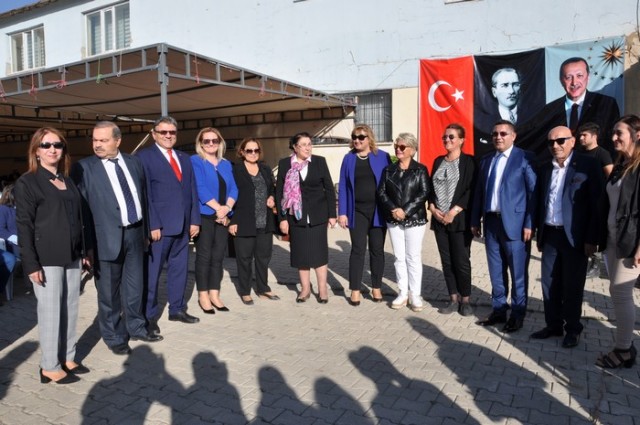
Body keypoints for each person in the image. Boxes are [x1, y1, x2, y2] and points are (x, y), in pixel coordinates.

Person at [72, 121, 161, 356]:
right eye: (95, 140)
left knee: (135, 286)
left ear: (118, 141)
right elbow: (82, 212)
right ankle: (114, 336)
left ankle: (137, 327)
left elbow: (143, 196)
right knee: (108, 293)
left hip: (135, 233)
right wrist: (87, 246)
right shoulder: (84, 168)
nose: (97, 144)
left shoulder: (133, 162)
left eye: (103, 140)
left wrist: (146, 230)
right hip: (104, 238)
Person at [15, 127, 88, 383]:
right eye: (46, 145)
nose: (52, 149)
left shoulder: (67, 180)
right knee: (50, 311)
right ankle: (49, 365)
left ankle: (67, 356)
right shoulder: (28, 182)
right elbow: (24, 225)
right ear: (36, 150)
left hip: (72, 254)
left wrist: (84, 251)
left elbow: (79, 218)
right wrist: (31, 263)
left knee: (70, 308)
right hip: (46, 257)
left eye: (57, 145)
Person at [531, 126, 604, 348]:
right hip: (550, 234)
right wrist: (538, 233)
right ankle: (553, 324)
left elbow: (597, 204)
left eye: (561, 140)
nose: (555, 146)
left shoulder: (588, 165)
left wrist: (592, 239)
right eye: (551, 142)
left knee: (572, 285)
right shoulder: (545, 168)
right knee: (549, 283)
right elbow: (540, 202)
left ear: (572, 141)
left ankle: (572, 328)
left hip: (575, 238)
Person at [471, 120, 537, 333]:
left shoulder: (525, 158)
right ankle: (499, 310)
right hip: (491, 223)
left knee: (518, 273)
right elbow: (479, 192)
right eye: (495, 134)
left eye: (503, 133)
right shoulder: (487, 160)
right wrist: (475, 220)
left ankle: (517, 314)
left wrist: (529, 223)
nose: (498, 137)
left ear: (513, 136)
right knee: (496, 270)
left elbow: (532, 193)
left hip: (516, 226)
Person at [136, 117, 201, 331]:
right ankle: (148, 316)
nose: (168, 136)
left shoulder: (184, 158)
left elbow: (192, 190)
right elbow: (144, 194)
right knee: (152, 274)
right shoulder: (144, 157)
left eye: (172, 132)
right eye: (163, 132)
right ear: (154, 134)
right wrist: (152, 224)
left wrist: (194, 220)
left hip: (183, 226)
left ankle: (177, 309)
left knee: (179, 270)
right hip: (160, 229)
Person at [596, 115, 640, 368]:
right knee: (616, 292)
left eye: (619, 133)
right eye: (613, 132)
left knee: (621, 293)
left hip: (631, 242)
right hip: (614, 239)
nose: (613, 137)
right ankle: (626, 344)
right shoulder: (621, 164)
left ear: (637, 135)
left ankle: (623, 350)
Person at [276, 132, 336, 303]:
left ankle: (322, 289)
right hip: (295, 216)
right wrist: (282, 218)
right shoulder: (285, 164)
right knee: (301, 253)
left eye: (310, 144)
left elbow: (329, 189)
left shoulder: (319, 162)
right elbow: (279, 192)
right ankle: (305, 289)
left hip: (318, 215)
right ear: (295, 147)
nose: (308, 148)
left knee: (319, 253)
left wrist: (332, 214)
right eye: (303, 144)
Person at [337, 124, 391, 306]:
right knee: (358, 250)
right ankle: (355, 289)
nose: (357, 140)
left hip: (378, 212)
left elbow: (390, 183)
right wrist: (342, 212)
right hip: (356, 212)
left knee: (377, 250)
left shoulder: (382, 157)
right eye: (354, 137)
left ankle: (376, 287)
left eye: (361, 137)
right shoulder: (348, 158)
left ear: (369, 139)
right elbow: (343, 186)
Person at [428, 124, 477, 316]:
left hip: (459, 220)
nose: (447, 140)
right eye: (445, 137)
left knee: (461, 261)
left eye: (451, 137)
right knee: (447, 262)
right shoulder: (438, 161)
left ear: (461, 140)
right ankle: (453, 299)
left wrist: (454, 211)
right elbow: (431, 189)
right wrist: (432, 208)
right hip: (439, 220)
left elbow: (470, 190)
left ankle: (465, 300)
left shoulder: (469, 162)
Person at [378, 133, 430, 312]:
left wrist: (405, 211)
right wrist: (394, 209)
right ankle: (402, 292)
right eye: (396, 147)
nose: (398, 150)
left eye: (402, 147)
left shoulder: (420, 169)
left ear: (412, 149)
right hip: (394, 219)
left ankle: (415, 294)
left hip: (415, 219)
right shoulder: (388, 170)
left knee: (413, 257)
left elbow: (424, 193)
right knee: (399, 258)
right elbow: (381, 192)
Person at [191, 127, 238, 312]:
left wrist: (227, 209)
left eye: (214, 140)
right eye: (207, 141)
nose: (211, 144)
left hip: (223, 217)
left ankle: (215, 294)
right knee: (204, 257)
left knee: (218, 257)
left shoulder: (226, 164)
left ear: (220, 142)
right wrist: (219, 208)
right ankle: (203, 295)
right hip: (205, 215)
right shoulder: (196, 161)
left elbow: (234, 188)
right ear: (201, 143)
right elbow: (200, 188)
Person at [228, 138, 279, 305]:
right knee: (244, 259)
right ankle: (245, 291)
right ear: (242, 152)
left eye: (256, 150)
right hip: (243, 221)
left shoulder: (265, 168)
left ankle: (263, 288)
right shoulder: (236, 170)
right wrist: (232, 220)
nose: (253, 153)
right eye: (249, 150)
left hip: (265, 221)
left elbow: (272, 188)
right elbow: (230, 195)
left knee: (263, 258)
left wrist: (271, 197)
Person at [545, 57, 620, 151]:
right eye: (568, 77)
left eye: (579, 76)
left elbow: (612, 141)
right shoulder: (549, 111)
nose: (574, 82)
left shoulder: (606, 104)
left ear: (588, 77)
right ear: (561, 80)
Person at [577, 122, 614, 278]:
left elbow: (611, 177)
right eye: (580, 135)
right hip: (580, 200)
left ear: (594, 136)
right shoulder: (579, 153)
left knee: (595, 232)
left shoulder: (602, 154)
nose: (581, 138)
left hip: (597, 201)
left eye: (584, 135)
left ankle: (595, 263)